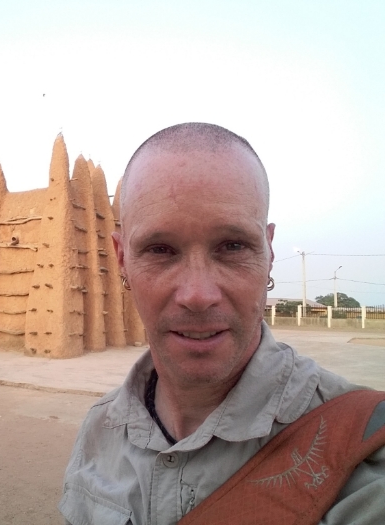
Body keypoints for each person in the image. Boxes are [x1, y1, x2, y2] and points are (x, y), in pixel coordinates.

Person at [59, 123, 385, 524]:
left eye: (232, 246)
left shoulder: (362, 456)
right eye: (160, 250)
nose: (197, 294)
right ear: (123, 259)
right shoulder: (100, 429)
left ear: (268, 251)